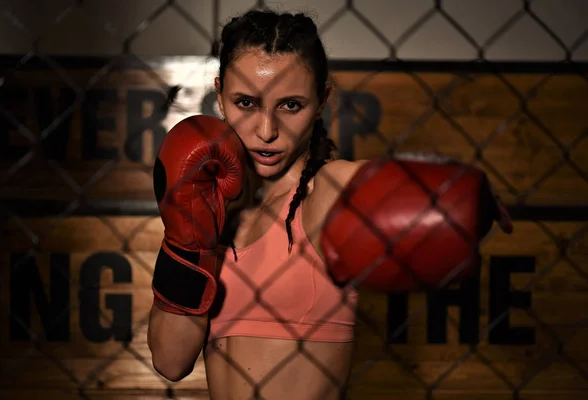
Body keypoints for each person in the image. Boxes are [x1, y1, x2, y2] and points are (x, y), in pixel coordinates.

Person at [147, 9, 512, 400]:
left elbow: (375, 186)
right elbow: (171, 362)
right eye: (246, 103)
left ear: (322, 100)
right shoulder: (210, 206)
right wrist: (187, 241)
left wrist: (459, 198)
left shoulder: (324, 194)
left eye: (290, 105)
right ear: (219, 96)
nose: (267, 131)